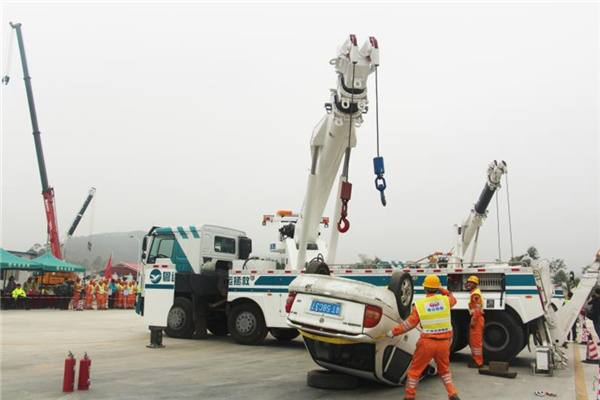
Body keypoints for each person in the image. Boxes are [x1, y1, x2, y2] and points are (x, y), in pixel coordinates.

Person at [387, 274, 460, 400]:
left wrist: (393, 332)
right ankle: (452, 393)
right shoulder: (446, 301)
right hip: (444, 343)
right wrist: (443, 289)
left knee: (415, 371)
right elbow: (453, 298)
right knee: (444, 370)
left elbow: (409, 324)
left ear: (425, 288)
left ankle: (410, 396)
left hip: (427, 343)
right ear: (437, 288)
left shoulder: (420, 305)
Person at [466, 275, 485, 368]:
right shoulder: (473, 293)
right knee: (473, 340)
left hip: (477, 318)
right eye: (468, 282)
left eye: (471, 282)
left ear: (475, 284)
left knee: (476, 341)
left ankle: (478, 362)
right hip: (476, 318)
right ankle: (475, 359)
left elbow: (477, 309)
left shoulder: (475, 294)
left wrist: (474, 320)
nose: (469, 283)